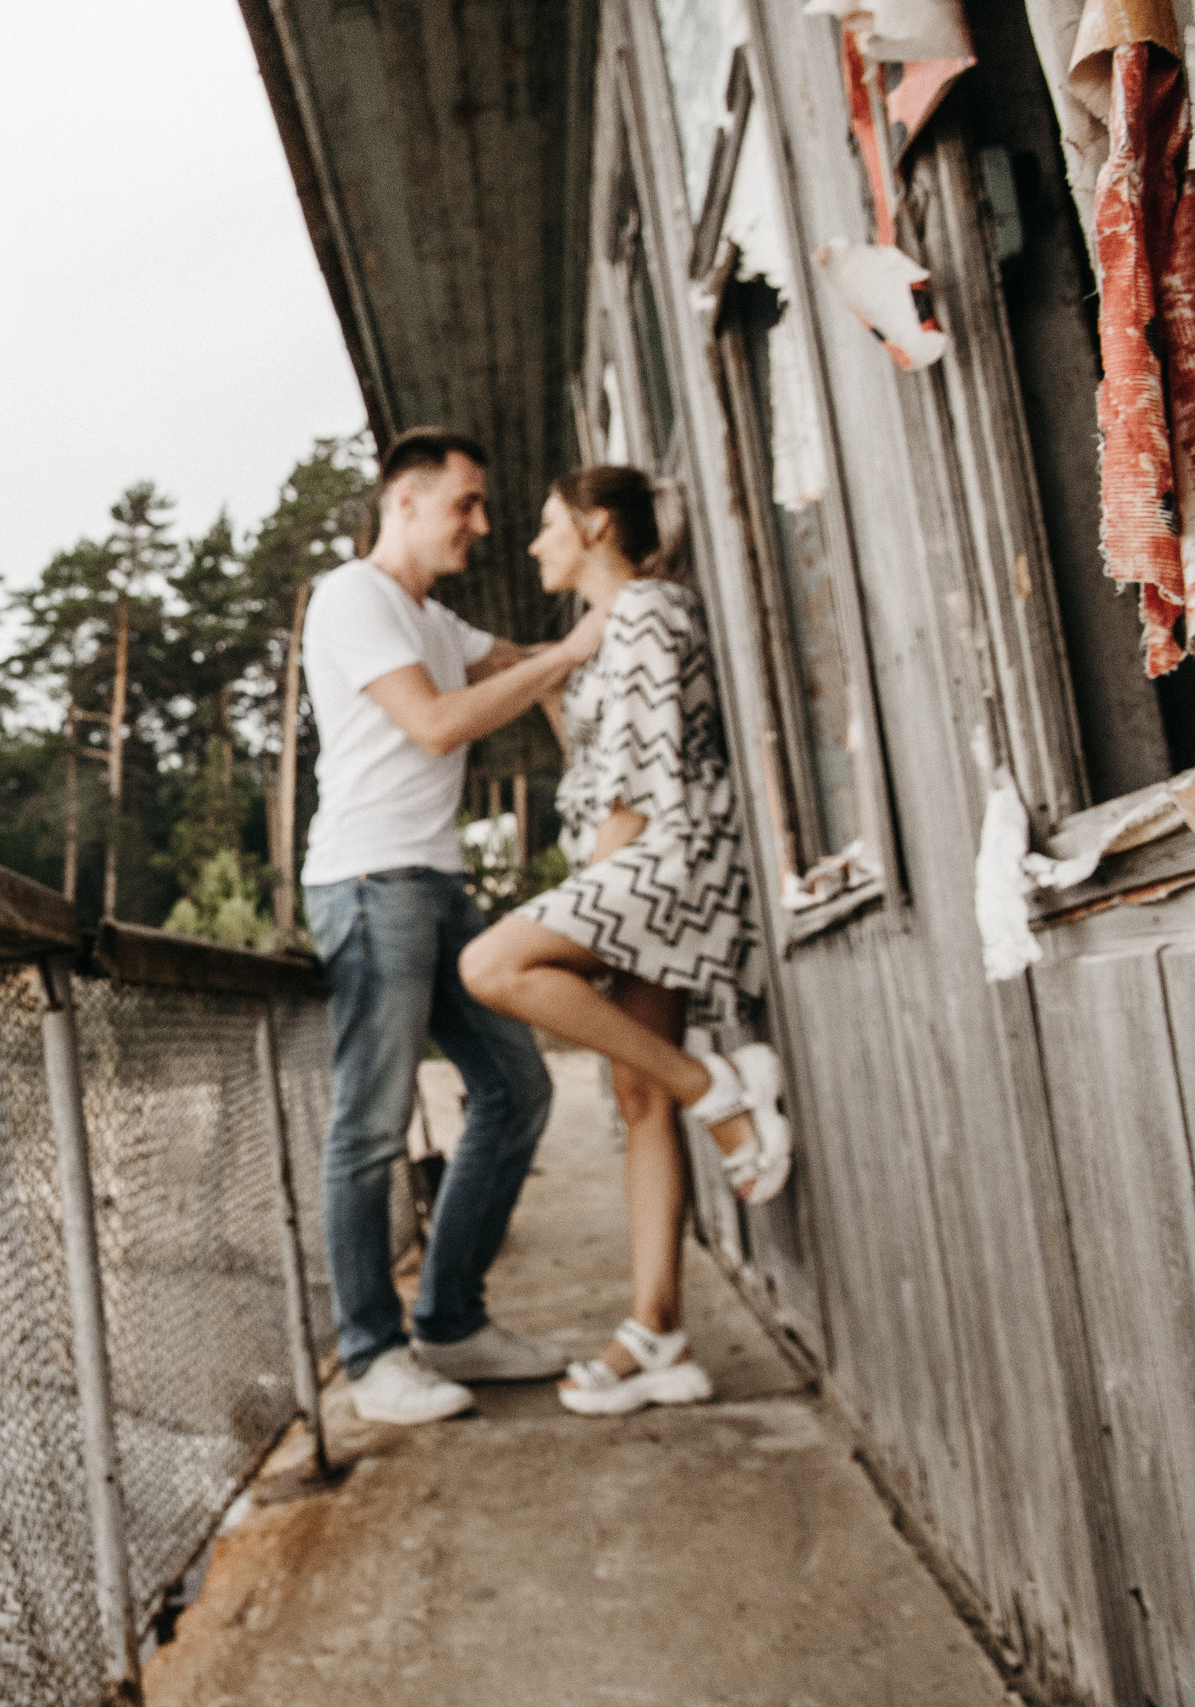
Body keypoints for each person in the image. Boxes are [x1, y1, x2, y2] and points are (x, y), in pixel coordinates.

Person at [458, 464, 793, 1419]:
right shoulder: (617, 630)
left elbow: (637, 788)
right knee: (637, 1090)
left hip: (666, 861)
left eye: (546, 522)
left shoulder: (646, 609)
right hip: (651, 864)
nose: (531, 544)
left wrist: (589, 904)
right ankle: (658, 1331)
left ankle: (722, 1092)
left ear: (597, 523)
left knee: (491, 963)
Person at [301, 427, 608, 1426]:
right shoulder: (353, 596)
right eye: (464, 504)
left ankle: (451, 1324)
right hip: (365, 881)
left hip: (434, 882)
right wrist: (567, 648)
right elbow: (437, 723)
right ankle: (370, 1356)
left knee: (514, 1089)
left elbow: (525, 667)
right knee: (370, 1123)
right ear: (404, 503)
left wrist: (597, 628)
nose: (481, 523)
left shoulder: (437, 619)